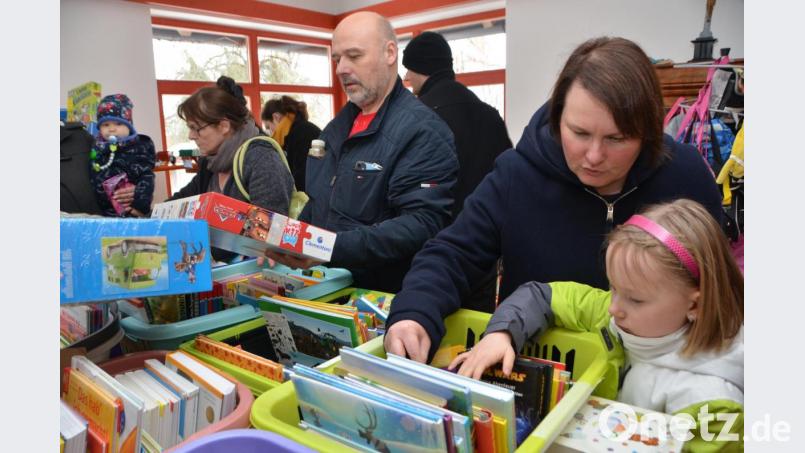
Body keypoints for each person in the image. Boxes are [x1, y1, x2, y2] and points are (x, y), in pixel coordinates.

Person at [384, 37, 723, 363]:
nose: (594, 156)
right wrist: (414, 312)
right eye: (579, 133)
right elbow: (454, 253)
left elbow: (719, 286)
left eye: (617, 138)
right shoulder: (516, 174)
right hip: (537, 369)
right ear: (557, 118)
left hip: (665, 373)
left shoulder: (686, 176)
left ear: (647, 131)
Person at [449, 199, 744, 451]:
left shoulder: (712, 403)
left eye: (635, 299)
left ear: (694, 305)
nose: (614, 308)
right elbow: (542, 296)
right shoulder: (615, 314)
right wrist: (502, 333)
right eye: (614, 288)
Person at [266, 12, 459, 293]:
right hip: (328, 290)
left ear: (389, 53)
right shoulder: (335, 130)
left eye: (354, 56)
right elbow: (320, 205)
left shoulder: (423, 131)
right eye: (337, 59)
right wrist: (287, 240)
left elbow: (420, 224)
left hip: (383, 299)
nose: (341, 69)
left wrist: (327, 248)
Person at [403, 31, 513, 313]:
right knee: (476, 328)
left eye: (409, 70)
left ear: (420, 68)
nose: (407, 78)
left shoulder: (415, 117)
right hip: (482, 248)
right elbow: (508, 179)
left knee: (424, 326)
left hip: (431, 253)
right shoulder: (488, 114)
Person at [168, 76, 294, 262]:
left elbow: (269, 228)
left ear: (224, 126)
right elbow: (183, 200)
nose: (191, 136)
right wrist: (146, 219)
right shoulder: (210, 163)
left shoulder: (260, 157)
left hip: (253, 271)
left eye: (196, 128)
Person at [88, 94, 156, 217]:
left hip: (130, 211)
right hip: (103, 213)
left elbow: (147, 178)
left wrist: (139, 207)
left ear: (129, 126)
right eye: (106, 125)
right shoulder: (97, 148)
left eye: (118, 124)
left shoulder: (139, 148)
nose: (112, 129)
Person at [261, 95, 322, 191]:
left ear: (276, 117)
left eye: (268, 127)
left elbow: (301, 178)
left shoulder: (300, 133)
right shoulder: (295, 131)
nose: (270, 133)